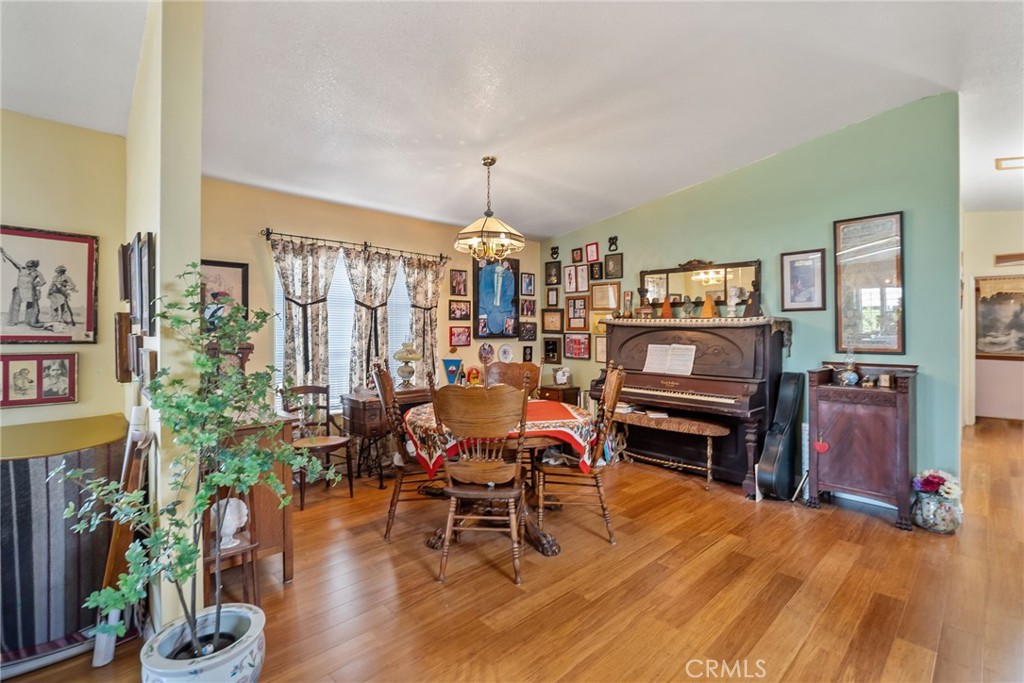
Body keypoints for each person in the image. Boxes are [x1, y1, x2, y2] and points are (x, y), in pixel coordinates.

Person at [1, 248, 46, 327]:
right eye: (27, 266)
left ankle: (28, 320)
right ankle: (14, 321)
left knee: (30, 306)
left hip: (29, 290)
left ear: (34, 267)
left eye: (30, 266)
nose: (28, 267)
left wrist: (38, 285)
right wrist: (3, 252)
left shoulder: (37, 272)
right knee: (15, 306)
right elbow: (12, 260)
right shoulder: (21, 268)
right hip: (19, 290)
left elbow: (43, 281)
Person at [477, 259, 515, 336]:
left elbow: (510, 294)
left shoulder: (509, 276)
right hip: (485, 308)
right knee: (482, 334)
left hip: (503, 311)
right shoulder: (485, 271)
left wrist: (502, 306)